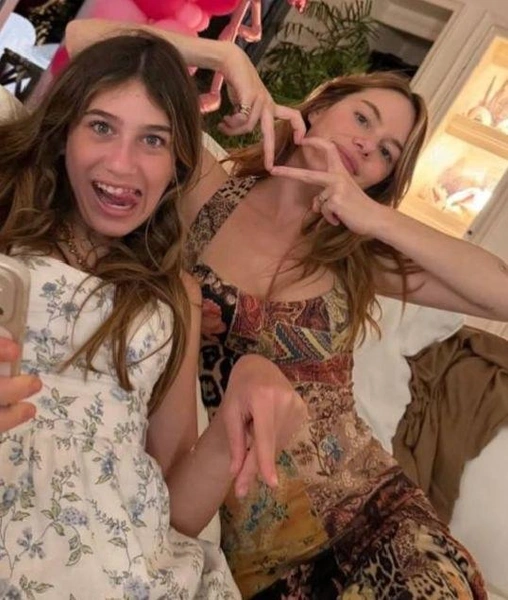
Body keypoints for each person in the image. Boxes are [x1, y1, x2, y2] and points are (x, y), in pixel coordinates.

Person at [64, 18, 508, 600]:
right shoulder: (208, 191)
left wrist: (373, 217)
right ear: (317, 110)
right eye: (363, 119)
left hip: (375, 518)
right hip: (252, 541)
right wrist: (227, 58)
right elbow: (83, 40)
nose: (366, 146)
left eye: (385, 153)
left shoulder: (357, 255)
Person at [0, 31, 307, 598]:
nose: (123, 164)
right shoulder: (7, 222)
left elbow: (174, 508)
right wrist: (224, 55)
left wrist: (241, 399)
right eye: (101, 127)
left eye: (153, 140)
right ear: (63, 134)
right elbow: (82, 35)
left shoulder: (174, 297)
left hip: (130, 564)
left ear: (177, 165)